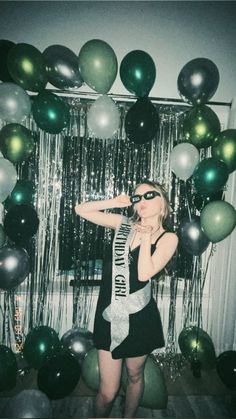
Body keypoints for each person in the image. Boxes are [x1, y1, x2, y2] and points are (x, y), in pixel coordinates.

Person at [75, 180, 178, 418]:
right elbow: (81, 210)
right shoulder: (124, 224)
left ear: (163, 201)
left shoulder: (168, 238)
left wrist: (144, 238)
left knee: (134, 375)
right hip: (111, 314)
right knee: (107, 392)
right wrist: (115, 202)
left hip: (140, 317)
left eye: (149, 195)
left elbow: (144, 274)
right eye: (137, 197)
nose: (141, 201)